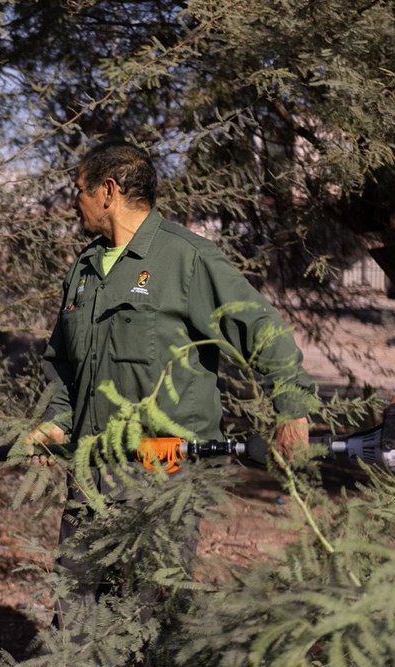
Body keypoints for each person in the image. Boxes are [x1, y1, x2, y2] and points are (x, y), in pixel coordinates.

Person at [29, 140, 317, 628]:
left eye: (79, 190)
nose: (73, 202)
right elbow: (66, 363)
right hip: (92, 466)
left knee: (148, 617)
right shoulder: (84, 270)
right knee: (72, 611)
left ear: (109, 191)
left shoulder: (187, 259)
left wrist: (292, 408)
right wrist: (56, 420)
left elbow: (260, 327)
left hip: (163, 467)